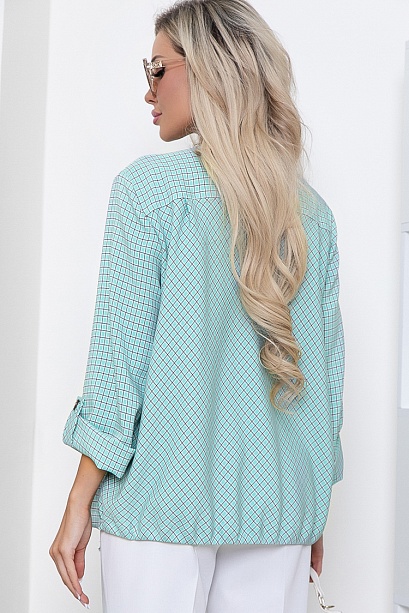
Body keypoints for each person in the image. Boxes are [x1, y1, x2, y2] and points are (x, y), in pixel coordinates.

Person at [50, 1, 344, 612]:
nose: (148, 89)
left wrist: (79, 500)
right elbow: (326, 386)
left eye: (158, 69)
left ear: (210, 69)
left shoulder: (149, 192)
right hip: (279, 509)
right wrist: (312, 505)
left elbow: (117, 366)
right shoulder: (312, 216)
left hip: (160, 507)